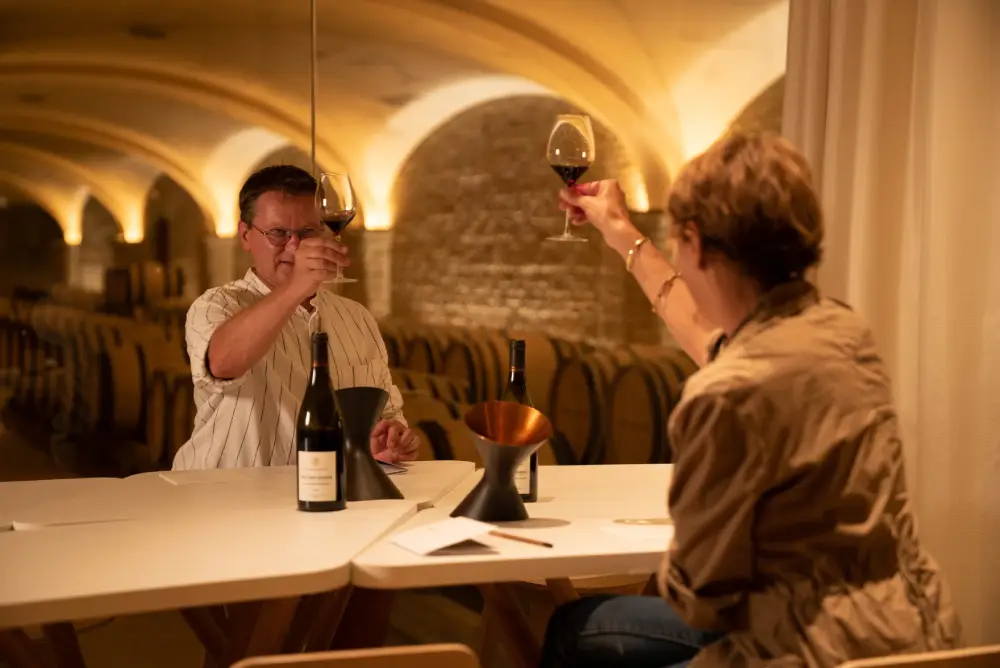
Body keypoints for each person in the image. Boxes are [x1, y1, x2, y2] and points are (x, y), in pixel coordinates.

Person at [541, 132, 960, 667]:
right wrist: (622, 232)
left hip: (802, 647)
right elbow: (711, 337)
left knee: (574, 633)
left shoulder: (723, 394)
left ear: (694, 241)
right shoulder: (843, 330)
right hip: (909, 629)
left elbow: (700, 597)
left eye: (673, 237)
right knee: (582, 622)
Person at [173, 165, 419, 470]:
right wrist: (297, 286)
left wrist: (388, 439)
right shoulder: (215, 305)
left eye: (307, 233)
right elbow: (224, 363)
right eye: (278, 233)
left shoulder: (357, 317)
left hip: (323, 497)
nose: (295, 246)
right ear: (246, 235)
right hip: (227, 499)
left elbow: (386, 412)